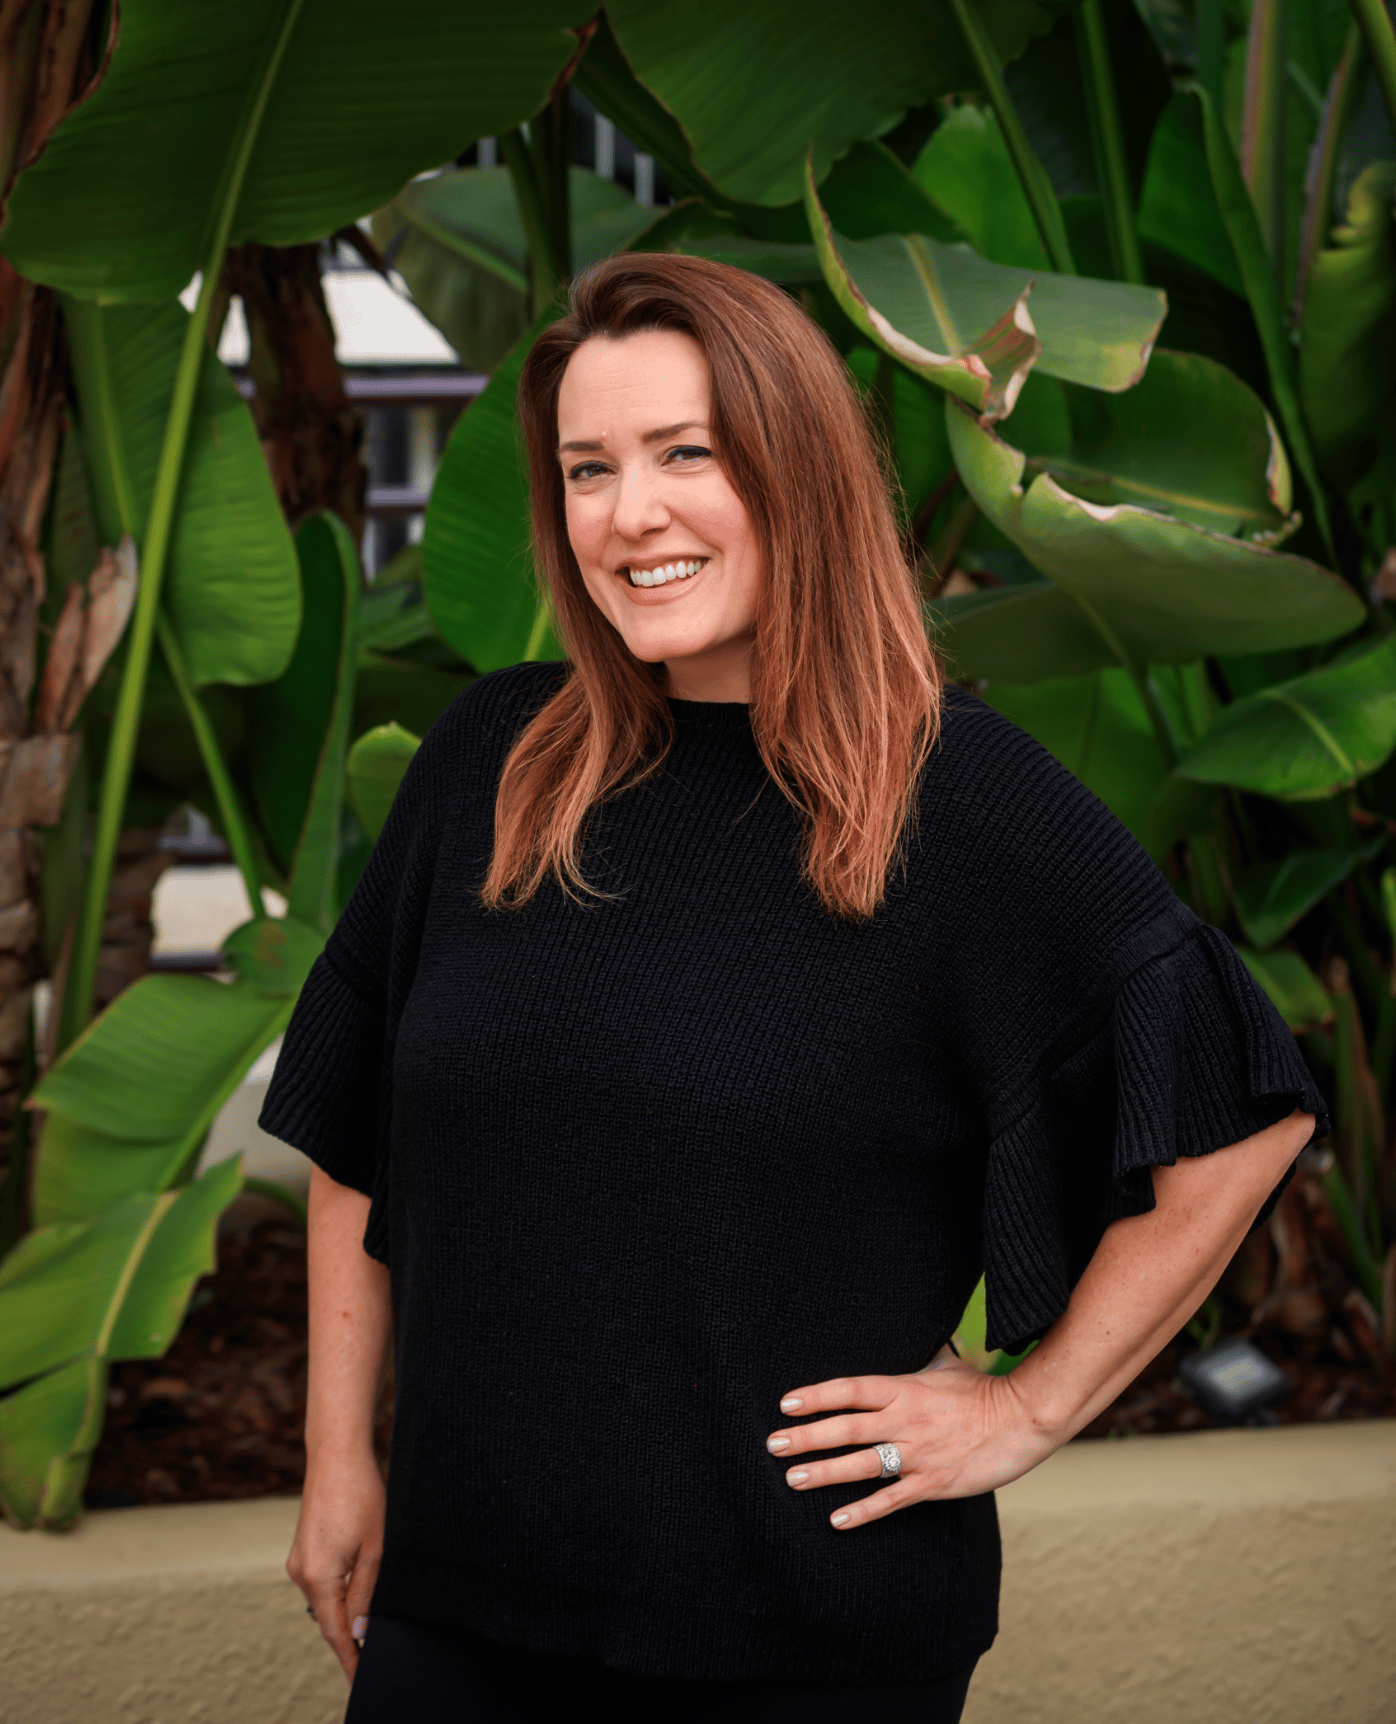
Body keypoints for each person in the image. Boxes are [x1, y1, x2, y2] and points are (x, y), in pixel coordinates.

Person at [262, 253, 1323, 1724]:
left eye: (685, 454)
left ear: (796, 468)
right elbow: (354, 1131)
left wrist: (1030, 1406)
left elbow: (1238, 1110)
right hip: (459, 1605)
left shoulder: (962, 803)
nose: (630, 515)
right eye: (587, 469)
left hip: (801, 1641)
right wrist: (340, 1462)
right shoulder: (493, 765)